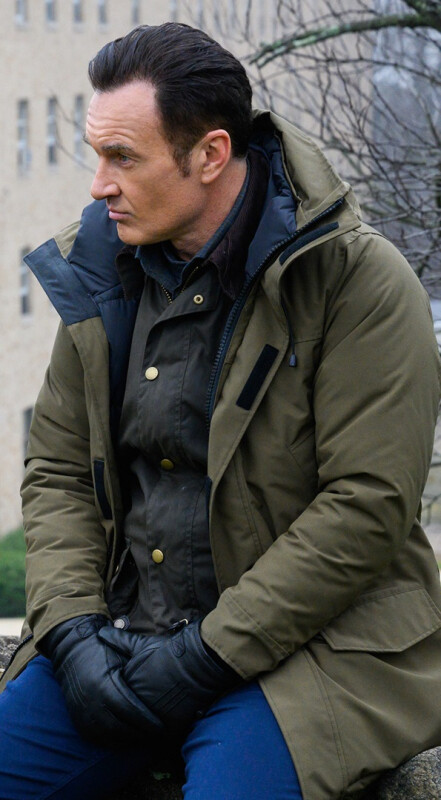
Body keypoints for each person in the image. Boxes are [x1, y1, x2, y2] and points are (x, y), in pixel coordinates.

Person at [1, 21, 440, 800]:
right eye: (96, 155)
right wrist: (70, 635)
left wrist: (203, 657)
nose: (98, 185)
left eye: (122, 157)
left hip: (315, 651)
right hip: (123, 637)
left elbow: (364, 506)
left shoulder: (358, 283)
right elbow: (60, 473)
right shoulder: (100, 269)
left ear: (209, 155)